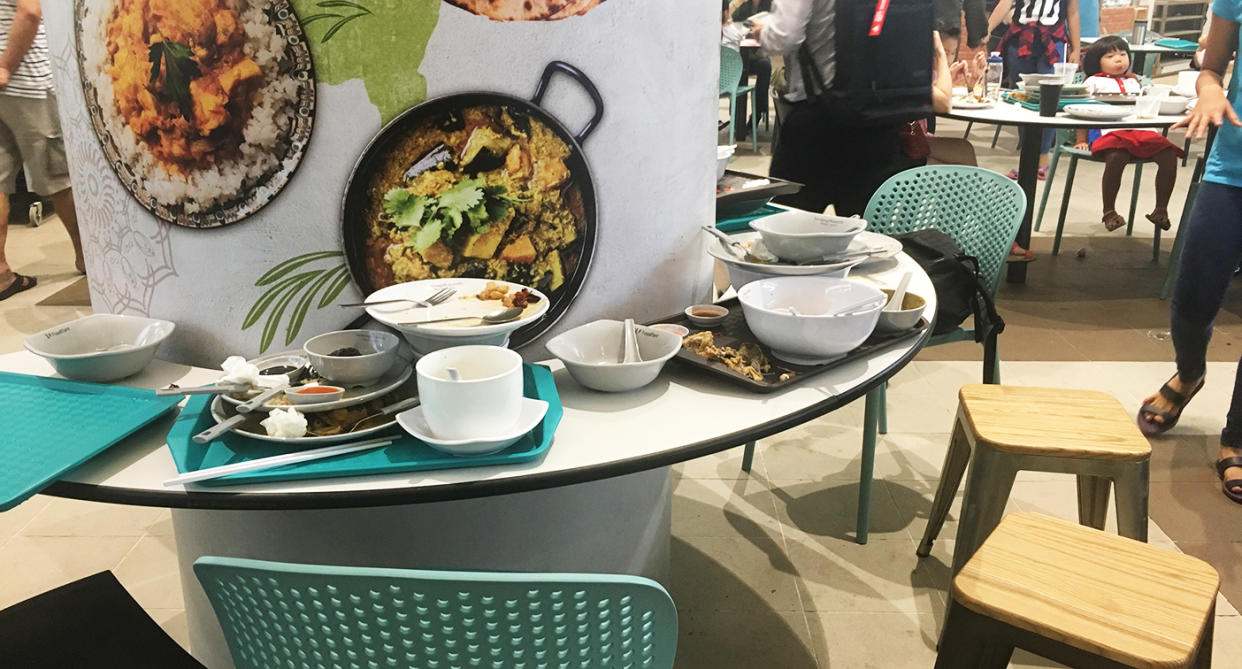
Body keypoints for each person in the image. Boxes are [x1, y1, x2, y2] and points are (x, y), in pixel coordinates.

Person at [1136, 1, 1242, 504]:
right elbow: (1211, 67)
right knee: (1192, 297)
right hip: (1233, 171)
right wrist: (1212, 90)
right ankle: (1192, 370)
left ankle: (1237, 438)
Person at [751, 0, 930, 216]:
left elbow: (785, 36)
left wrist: (763, 32)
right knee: (864, 235)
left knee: (787, 228)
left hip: (816, 124)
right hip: (879, 119)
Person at [0, 0, 83, 302]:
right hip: (26, 81)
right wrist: (6, 66)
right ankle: (89, 260)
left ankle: (0, 275)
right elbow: (30, 11)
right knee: (57, 176)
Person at [1074, 36, 1182, 232]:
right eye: (1110, 56)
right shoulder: (1092, 82)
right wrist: (1081, 140)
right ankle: (1109, 212)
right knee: (1117, 155)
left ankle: (1161, 210)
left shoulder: (1134, 81)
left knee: (1168, 154)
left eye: (1123, 54)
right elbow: (1083, 108)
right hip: (1109, 131)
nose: (1119, 59)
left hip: (1140, 130)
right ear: (1096, 60)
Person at [989, 0, 1081, 180]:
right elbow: (1005, 3)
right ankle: (1027, 158)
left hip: (1053, 39)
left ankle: (1043, 157)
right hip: (1020, 37)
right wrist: (988, 29)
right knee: (1021, 98)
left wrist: (1076, 49)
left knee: (1049, 99)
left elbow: (1073, 12)